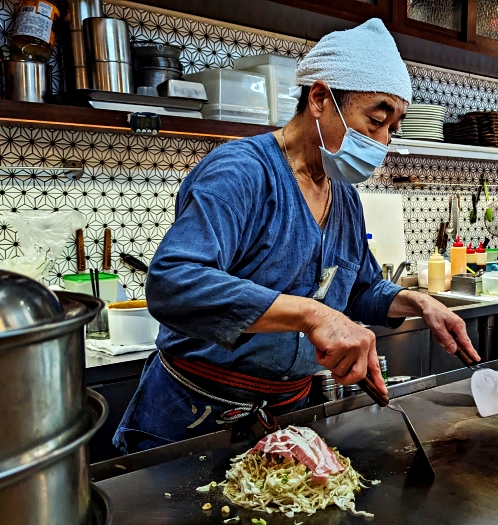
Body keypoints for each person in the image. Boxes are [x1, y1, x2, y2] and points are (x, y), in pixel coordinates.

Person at [113, 19, 479, 454]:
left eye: (391, 130)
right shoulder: (241, 172)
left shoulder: (343, 196)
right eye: (375, 121)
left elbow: (359, 288)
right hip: (194, 419)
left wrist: (417, 301)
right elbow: (174, 283)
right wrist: (312, 315)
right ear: (320, 99)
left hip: (288, 419)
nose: (382, 143)